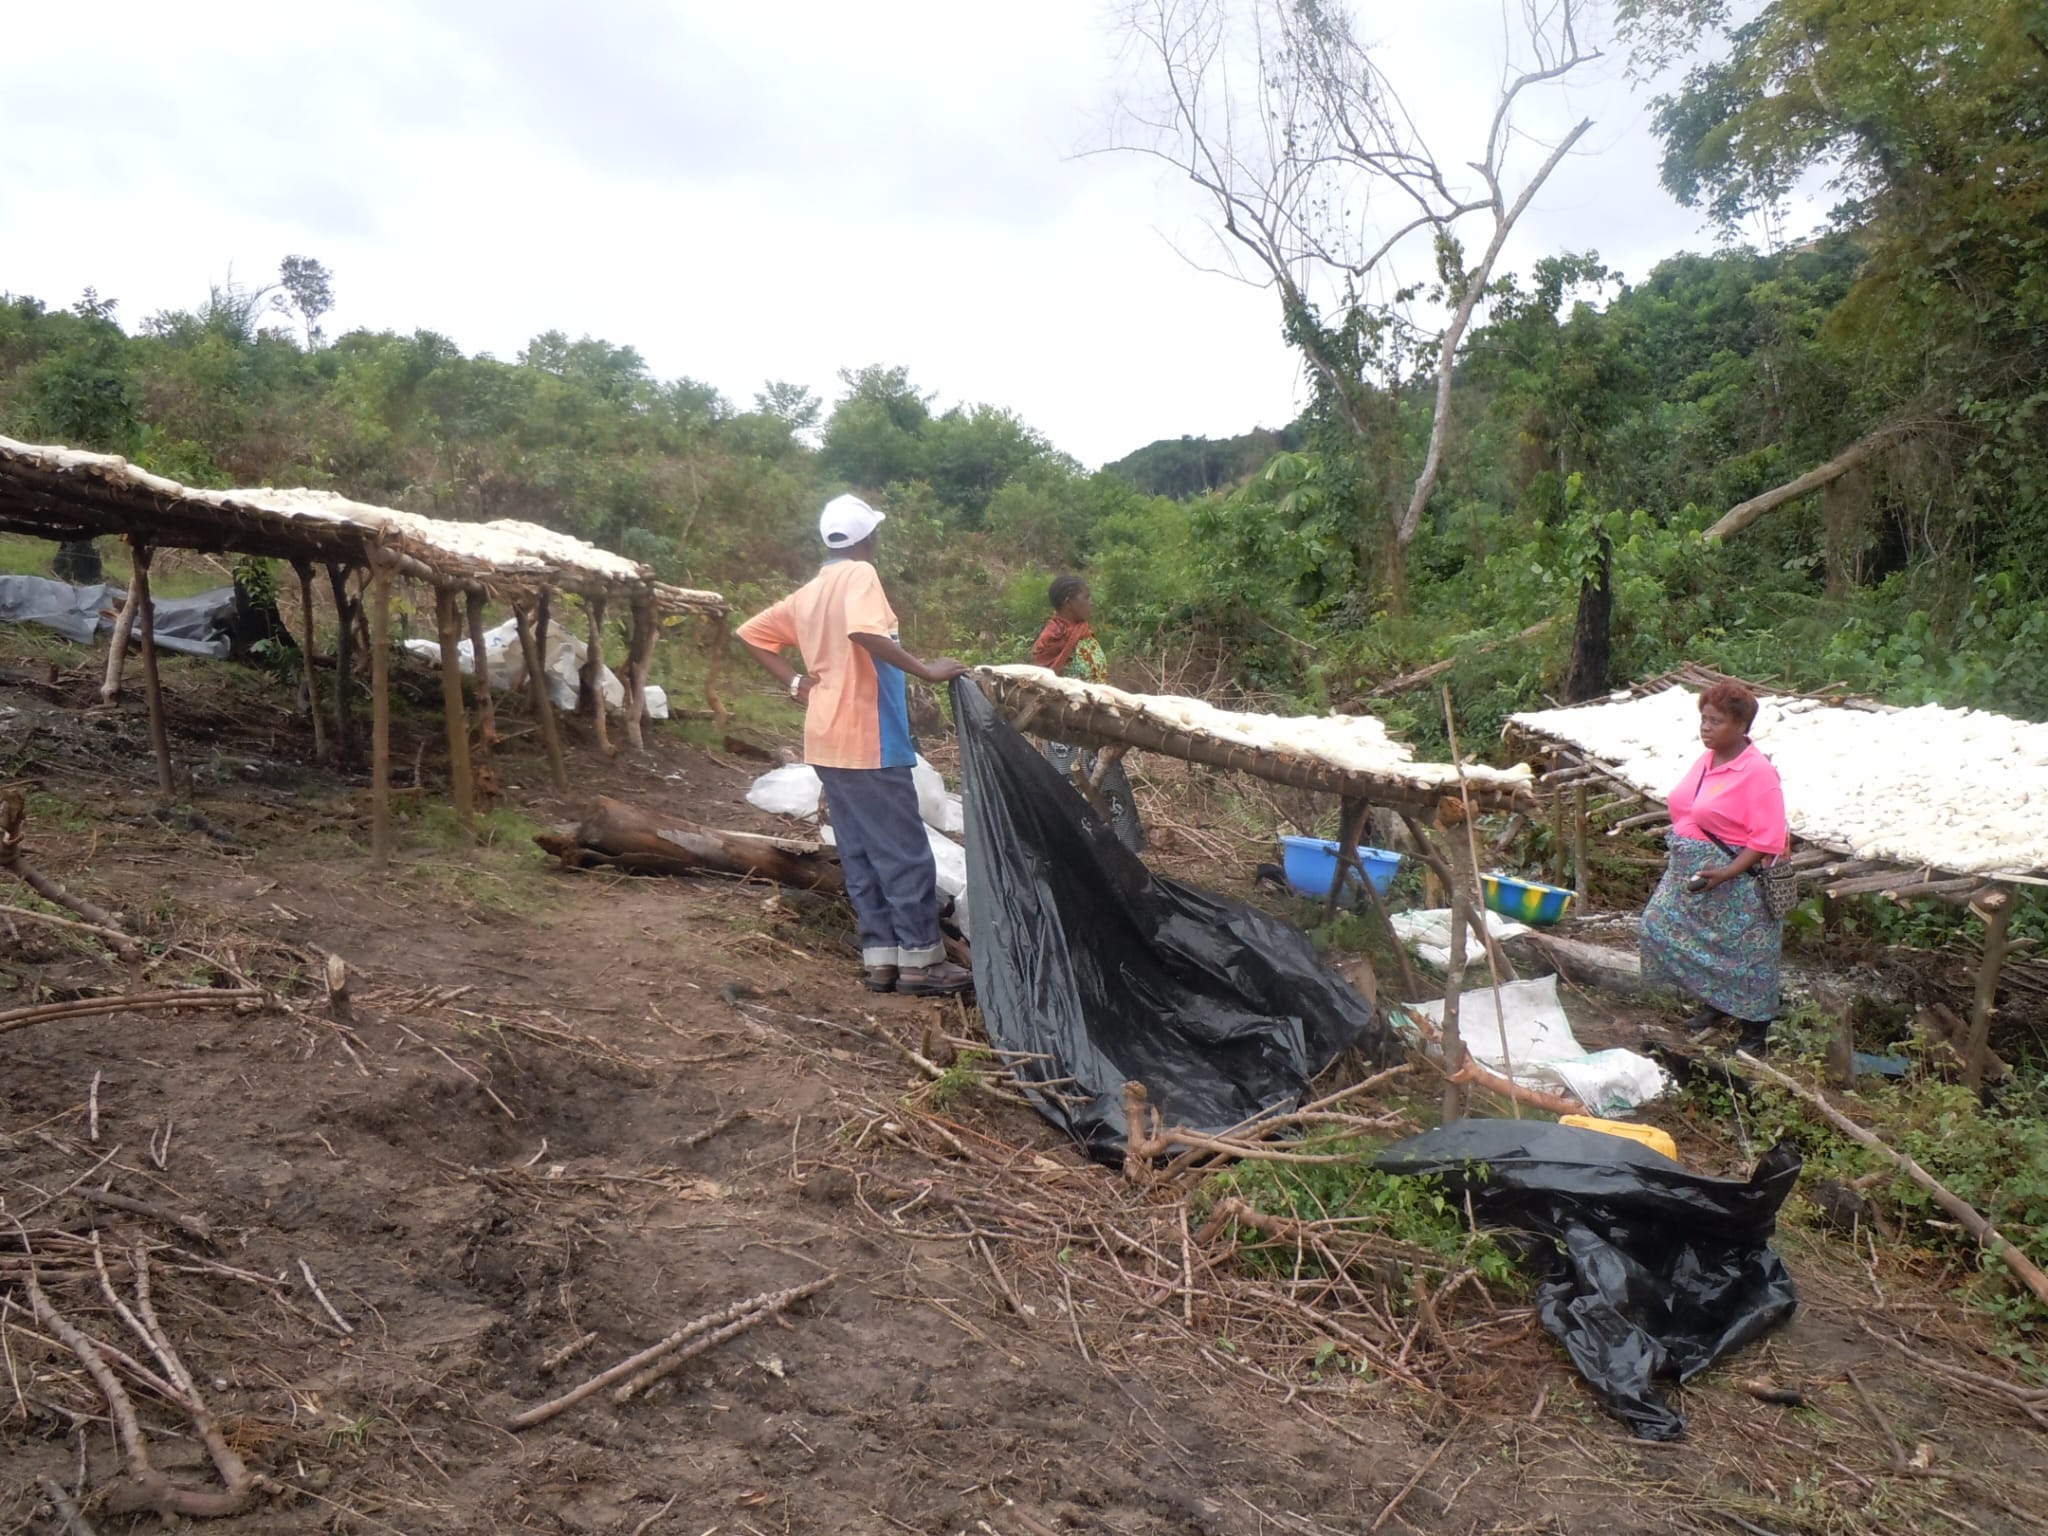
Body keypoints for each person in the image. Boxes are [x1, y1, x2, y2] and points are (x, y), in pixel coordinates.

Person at [737, 494, 974, 997]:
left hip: (826, 741)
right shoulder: (861, 575)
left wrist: (797, 684)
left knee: (861, 854)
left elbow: (752, 633)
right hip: (869, 740)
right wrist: (928, 671)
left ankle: (881, 961)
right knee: (904, 853)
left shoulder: (810, 592)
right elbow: (865, 632)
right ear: (869, 538)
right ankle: (921, 964)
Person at [1638, 681, 1790, 1051]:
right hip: (1691, 876)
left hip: (1737, 882)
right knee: (1656, 925)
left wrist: (1727, 872)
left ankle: (1754, 1034)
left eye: (1716, 721)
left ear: (1741, 726)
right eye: (1704, 719)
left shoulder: (1757, 772)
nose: (1706, 728)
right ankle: (1717, 1002)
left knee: (1746, 956)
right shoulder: (1707, 760)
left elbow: (1768, 837)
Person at [1031, 574, 1146, 853]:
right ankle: (1080, 858)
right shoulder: (1050, 640)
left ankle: (1123, 857)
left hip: (1096, 729)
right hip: (1066, 735)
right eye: (1086, 597)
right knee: (1073, 798)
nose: (1091, 602)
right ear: (1068, 602)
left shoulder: (1082, 631)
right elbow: (1043, 684)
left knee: (1112, 793)